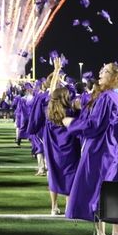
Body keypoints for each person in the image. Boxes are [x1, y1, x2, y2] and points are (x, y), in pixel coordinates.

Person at [65, 63, 118, 235]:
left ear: (115, 77)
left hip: (99, 152)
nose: (100, 73)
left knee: (95, 193)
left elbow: (93, 126)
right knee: (111, 193)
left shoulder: (107, 97)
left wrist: (71, 124)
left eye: (105, 71)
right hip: (113, 150)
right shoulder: (117, 96)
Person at [45, 59, 81, 215]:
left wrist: (56, 72)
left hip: (53, 151)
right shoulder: (70, 111)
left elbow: (52, 91)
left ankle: (53, 207)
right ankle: (68, 207)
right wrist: (59, 75)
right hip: (70, 151)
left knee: (54, 175)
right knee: (70, 177)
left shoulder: (50, 113)